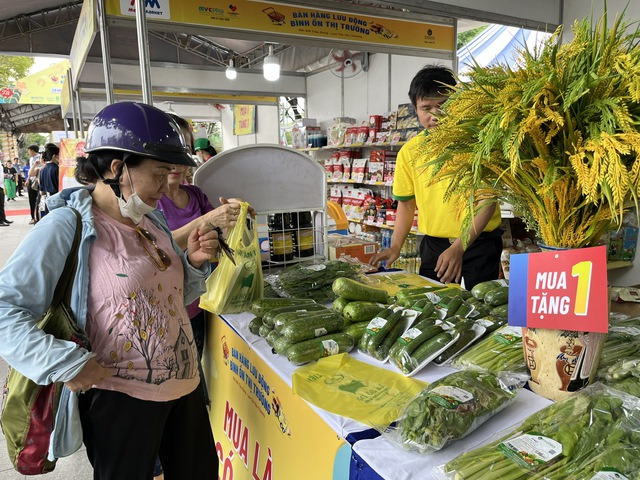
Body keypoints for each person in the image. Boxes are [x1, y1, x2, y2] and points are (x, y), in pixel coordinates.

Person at [0, 102, 219, 480]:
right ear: (117, 168)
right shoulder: (65, 228)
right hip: (120, 399)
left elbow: (161, 300)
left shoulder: (151, 220)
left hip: (184, 389)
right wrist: (65, 362)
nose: (168, 186)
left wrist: (193, 265)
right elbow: (5, 308)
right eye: (159, 173)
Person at [370, 66, 503, 290]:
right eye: (426, 108)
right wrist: (395, 246)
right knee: (434, 307)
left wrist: (459, 247)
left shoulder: (478, 145)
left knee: (483, 310)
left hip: (480, 243)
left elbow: (487, 202)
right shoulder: (410, 152)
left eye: (443, 105)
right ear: (415, 109)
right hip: (434, 246)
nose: (435, 114)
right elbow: (406, 203)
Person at [38, 143, 60, 218]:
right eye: (59, 155)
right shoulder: (57, 169)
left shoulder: (42, 170)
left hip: (47, 201)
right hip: (58, 201)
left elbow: (41, 192)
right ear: (54, 156)